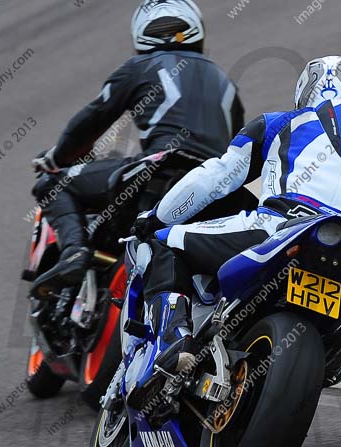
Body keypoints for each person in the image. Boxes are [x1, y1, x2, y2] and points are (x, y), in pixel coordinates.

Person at [133, 56, 341, 380]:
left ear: (304, 94)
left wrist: (159, 217)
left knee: (162, 245)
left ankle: (174, 341)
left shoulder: (281, 123)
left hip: (277, 229)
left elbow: (216, 178)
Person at [30, 0, 246, 296]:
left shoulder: (139, 66)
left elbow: (90, 121)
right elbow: (236, 145)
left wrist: (57, 157)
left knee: (53, 183)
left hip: (159, 166)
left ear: (141, 34)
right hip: (213, 184)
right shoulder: (227, 84)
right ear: (196, 29)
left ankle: (74, 255)